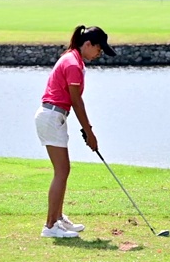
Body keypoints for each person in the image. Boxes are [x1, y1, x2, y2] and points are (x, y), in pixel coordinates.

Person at [34, 24, 116, 238]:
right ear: (88, 44)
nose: (99, 54)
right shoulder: (72, 64)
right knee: (61, 172)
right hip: (52, 117)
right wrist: (89, 132)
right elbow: (76, 101)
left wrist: (88, 131)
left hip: (54, 117)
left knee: (63, 170)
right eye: (99, 49)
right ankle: (50, 226)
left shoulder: (73, 58)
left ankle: (58, 218)